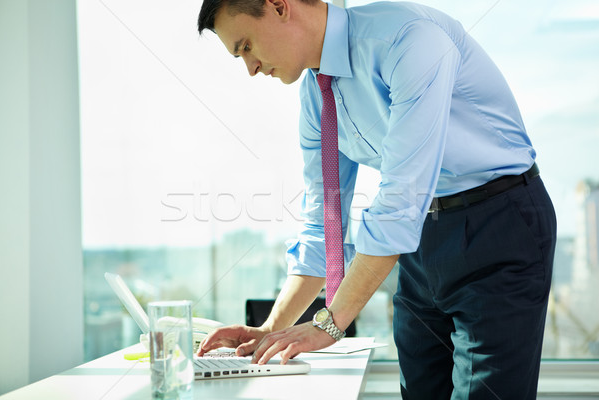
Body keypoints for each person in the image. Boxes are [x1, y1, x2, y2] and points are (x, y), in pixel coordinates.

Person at [196, 0, 557, 398]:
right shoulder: (318, 97)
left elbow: (400, 200)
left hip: (498, 226)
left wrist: (329, 325)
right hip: (418, 243)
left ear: (279, 6)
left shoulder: (409, 39)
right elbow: (325, 224)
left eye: (246, 46)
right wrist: (269, 329)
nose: (251, 68)